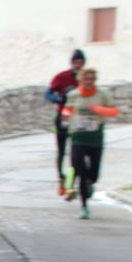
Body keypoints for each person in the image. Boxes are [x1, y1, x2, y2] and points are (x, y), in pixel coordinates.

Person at [61, 67, 119, 219]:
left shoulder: (103, 95)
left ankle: (89, 184)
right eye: (86, 79)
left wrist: (97, 109)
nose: (89, 82)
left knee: (93, 175)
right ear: (80, 80)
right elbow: (68, 110)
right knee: (79, 167)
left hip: (95, 137)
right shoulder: (73, 95)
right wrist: (65, 117)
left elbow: (114, 111)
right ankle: (84, 206)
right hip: (78, 136)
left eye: (92, 79)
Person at [46, 49, 85, 197]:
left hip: (80, 118)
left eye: (81, 63)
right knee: (62, 151)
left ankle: (71, 183)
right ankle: (61, 178)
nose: (78, 65)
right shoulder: (62, 77)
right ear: (71, 63)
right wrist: (58, 99)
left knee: (76, 153)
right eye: (76, 62)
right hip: (64, 116)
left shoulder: (85, 78)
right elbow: (48, 93)